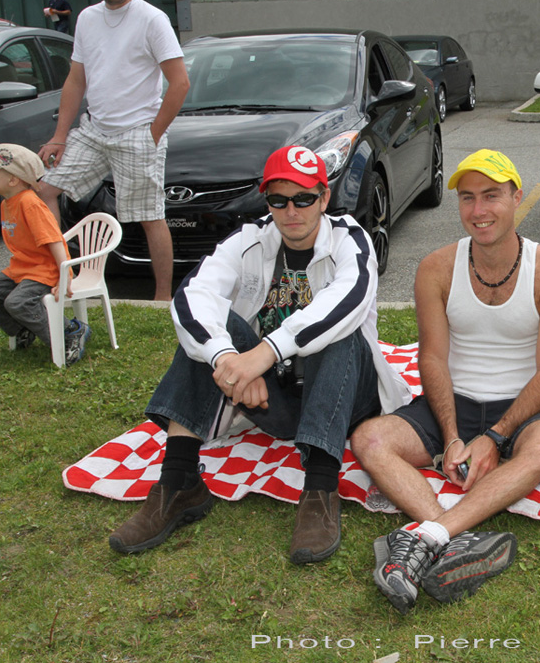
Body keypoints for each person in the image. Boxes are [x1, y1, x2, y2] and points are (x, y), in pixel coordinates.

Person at [108, 146, 412, 563]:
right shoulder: (250, 239)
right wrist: (226, 360)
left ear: (324, 198)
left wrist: (264, 354)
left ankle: (320, 489)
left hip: (349, 398)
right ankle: (179, 481)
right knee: (207, 330)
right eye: (279, 199)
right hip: (275, 398)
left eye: (304, 198)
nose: (292, 210)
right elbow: (192, 296)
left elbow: (346, 302)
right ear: (265, 199)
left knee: (337, 332)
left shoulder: (350, 238)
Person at [351, 149, 540, 614]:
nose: (479, 211)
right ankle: (456, 537)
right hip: (451, 403)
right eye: (468, 198)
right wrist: (453, 437)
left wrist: (496, 437)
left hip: (523, 404)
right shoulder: (435, 267)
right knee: (369, 438)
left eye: (492, 196)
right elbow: (433, 358)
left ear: (518, 197)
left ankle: (428, 535)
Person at [36, 0, 189, 301]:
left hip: (137, 133)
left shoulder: (152, 19)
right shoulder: (88, 19)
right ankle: (62, 279)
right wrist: (60, 135)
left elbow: (180, 82)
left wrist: (152, 134)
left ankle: (162, 299)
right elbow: (76, 80)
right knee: (45, 189)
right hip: (94, 131)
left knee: (150, 217)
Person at [0, 144, 91, 365]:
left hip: (45, 270)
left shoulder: (29, 204)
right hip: (23, 268)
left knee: (17, 302)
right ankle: (24, 328)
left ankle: (70, 332)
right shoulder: (7, 204)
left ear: (13, 179)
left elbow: (55, 241)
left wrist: (65, 275)